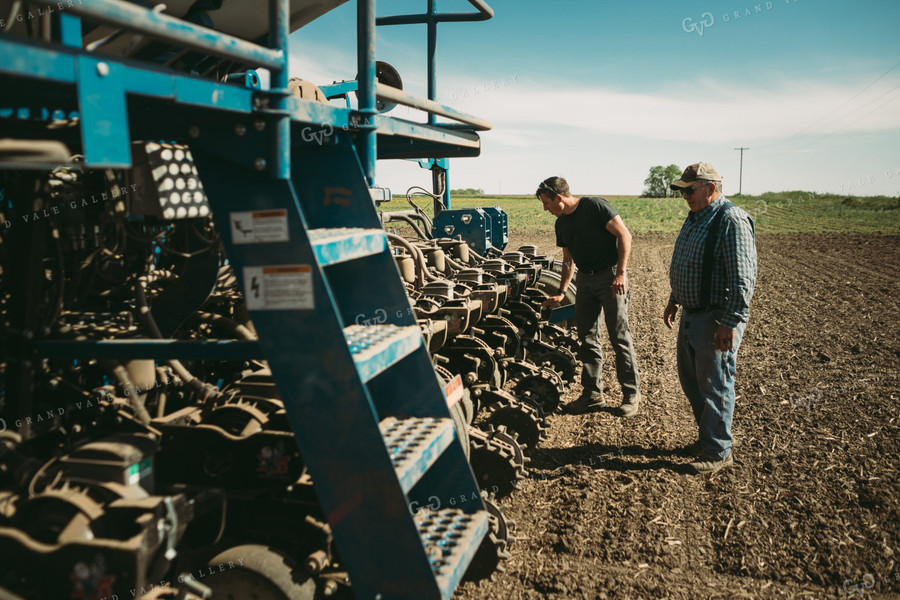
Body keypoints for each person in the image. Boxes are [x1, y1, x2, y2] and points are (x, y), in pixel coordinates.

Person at [664, 162, 757, 475]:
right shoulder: (696, 217)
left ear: (710, 188)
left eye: (690, 190)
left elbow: (744, 279)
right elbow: (687, 263)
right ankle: (707, 440)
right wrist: (674, 300)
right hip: (692, 313)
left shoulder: (731, 220)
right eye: (682, 191)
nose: (685, 196)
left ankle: (718, 451)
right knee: (693, 382)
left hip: (715, 317)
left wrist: (729, 323)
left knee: (715, 385)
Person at [537, 177, 641, 417]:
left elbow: (625, 236)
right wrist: (562, 291)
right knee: (587, 338)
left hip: (609, 276)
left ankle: (630, 395)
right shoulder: (561, 224)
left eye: (546, 203)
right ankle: (593, 395)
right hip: (584, 280)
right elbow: (567, 260)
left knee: (619, 336)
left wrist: (621, 274)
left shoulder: (594, 207)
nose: (545, 208)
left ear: (559, 198)